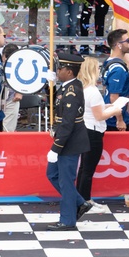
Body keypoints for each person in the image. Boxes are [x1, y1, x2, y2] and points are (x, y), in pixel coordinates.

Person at [45, 51, 92, 230]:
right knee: (53, 174)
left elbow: (68, 122)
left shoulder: (73, 91)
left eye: (61, 68)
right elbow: (56, 104)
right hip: (66, 138)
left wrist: (56, 148)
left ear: (70, 72)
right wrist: (49, 85)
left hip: (70, 141)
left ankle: (67, 220)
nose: (58, 71)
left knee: (65, 180)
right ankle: (80, 203)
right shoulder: (66, 86)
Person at [76, 57, 129, 203]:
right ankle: (85, 201)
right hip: (93, 132)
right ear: (92, 70)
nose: (100, 71)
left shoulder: (83, 89)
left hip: (86, 129)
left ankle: (81, 199)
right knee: (88, 170)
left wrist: (108, 107)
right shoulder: (92, 91)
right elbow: (99, 116)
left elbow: (94, 110)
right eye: (98, 68)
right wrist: (115, 110)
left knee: (84, 169)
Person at [102, 29, 129, 131]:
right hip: (115, 119)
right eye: (128, 40)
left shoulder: (108, 62)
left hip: (113, 114)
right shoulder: (118, 69)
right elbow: (113, 97)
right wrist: (120, 120)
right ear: (118, 45)